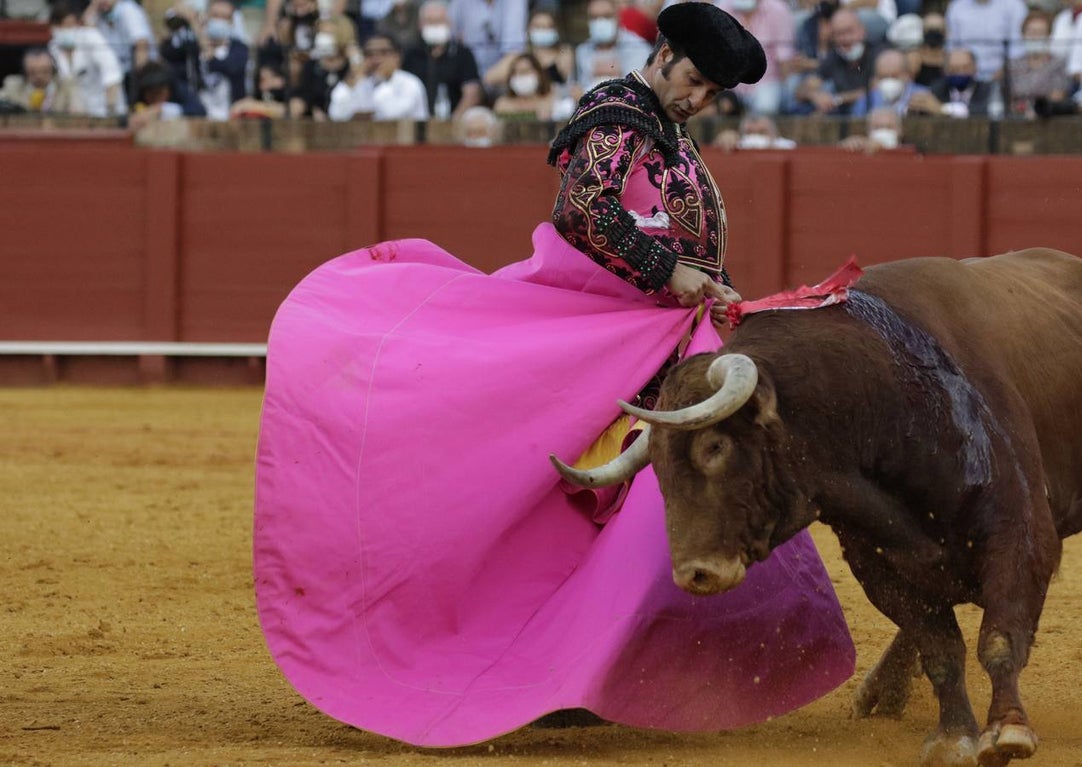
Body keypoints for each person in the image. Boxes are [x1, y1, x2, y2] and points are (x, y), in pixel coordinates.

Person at [253, 0, 855, 749]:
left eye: (714, 93)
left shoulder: (665, 126)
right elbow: (584, 211)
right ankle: (549, 662)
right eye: (696, 80)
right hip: (608, 340)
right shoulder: (618, 112)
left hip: (654, 337)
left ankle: (589, 663)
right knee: (591, 499)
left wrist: (713, 281)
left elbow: (675, 228)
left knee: (637, 499)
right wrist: (672, 272)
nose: (701, 99)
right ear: (663, 52)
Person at [401, 0, 484, 120]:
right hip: (417, 123)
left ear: (449, 24)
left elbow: (472, 92)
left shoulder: (462, 54)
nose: (435, 26)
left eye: (439, 21)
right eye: (430, 21)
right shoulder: (411, 54)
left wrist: (452, 123)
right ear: (420, 25)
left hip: (454, 121)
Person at [792, 7, 884, 115]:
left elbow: (878, 89)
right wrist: (815, 95)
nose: (845, 38)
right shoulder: (833, 57)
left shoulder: (878, 53)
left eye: (849, 31)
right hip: (842, 113)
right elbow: (803, 89)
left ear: (862, 30)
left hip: (873, 111)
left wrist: (838, 99)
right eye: (839, 34)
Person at [327, 30, 427, 119]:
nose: (376, 59)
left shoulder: (410, 83)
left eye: (383, 53)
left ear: (397, 57)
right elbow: (336, 115)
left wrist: (380, 80)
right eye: (369, 54)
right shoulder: (362, 82)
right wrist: (351, 80)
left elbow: (391, 116)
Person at [47, 1, 124, 117]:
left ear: (77, 24)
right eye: (61, 26)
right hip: (74, 112)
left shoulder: (91, 38)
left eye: (70, 25)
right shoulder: (53, 47)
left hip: (101, 110)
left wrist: (111, 111)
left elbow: (111, 74)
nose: (66, 30)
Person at [574, 0, 652, 91]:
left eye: (607, 16)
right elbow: (575, 88)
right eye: (594, 17)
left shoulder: (638, 47)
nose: (600, 22)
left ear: (618, 17)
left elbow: (640, 90)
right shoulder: (582, 51)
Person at [944, 0, 1028, 83]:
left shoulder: (1014, 5)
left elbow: (1018, 47)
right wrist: (963, 69)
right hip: (964, 74)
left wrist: (1005, 70)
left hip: (1006, 76)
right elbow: (952, 46)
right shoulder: (956, 6)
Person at [1007, 10, 1072, 117]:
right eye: (1031, 32)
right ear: (1023, 35)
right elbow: (1007, 98)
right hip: (1016, 120)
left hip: (1048, 121)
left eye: (1040, 33)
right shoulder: (1013, 65)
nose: (1035, 37)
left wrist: (1032, 108)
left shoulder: (1058, 64)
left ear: (1049, 36)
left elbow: (1057, 96)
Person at [851, 47, 933, 115]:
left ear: (907, 75)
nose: (889, 81)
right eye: (883, 77)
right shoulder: (866, 102)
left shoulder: (924, 96)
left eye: (894, 76)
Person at [0, 47, 79, 113]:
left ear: (53, 70)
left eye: (44, 71)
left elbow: (79, 114)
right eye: (33, 72)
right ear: (25, 72)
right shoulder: (13, 85)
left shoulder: (66, 86)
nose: (39, 76)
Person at [491, 51, 557, 119]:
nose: (520, 77)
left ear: (539, 74)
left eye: (525, 71)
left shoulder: (551, 101)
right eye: (515, 73)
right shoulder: (503, 105)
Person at [839, 104, 909, 151]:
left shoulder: (914, 152)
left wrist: (881, 146)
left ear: (901, 131)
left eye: (889, 127)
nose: (883, 132)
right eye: (877, 128)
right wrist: (847, 146)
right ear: (868, 131)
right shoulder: (860, 148)